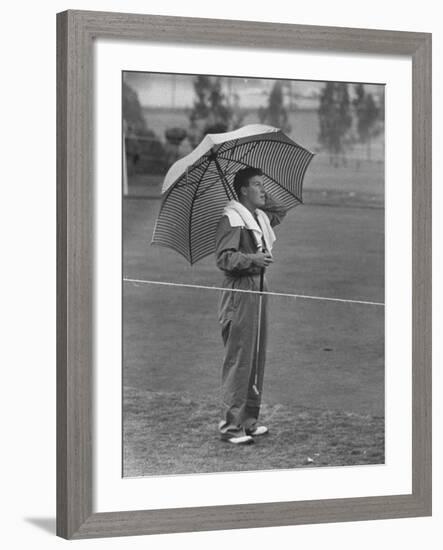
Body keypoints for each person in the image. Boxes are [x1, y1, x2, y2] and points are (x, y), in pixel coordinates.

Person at [215, 167, 287, 444]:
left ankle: (248, 420)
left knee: (256, 354)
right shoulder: (232, 219)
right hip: (240, 289)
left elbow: (281, 210)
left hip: (259, 285)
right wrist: (252, 260)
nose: (263, 189)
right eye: (257, 185)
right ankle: (230, 427)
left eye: (263, 184)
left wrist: (262, 195)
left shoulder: (257, 218)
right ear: (243, 189)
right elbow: (224, 260)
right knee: (240, 356)